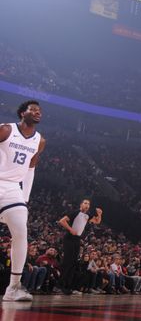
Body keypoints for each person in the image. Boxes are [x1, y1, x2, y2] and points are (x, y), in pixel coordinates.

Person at [1, 100, 47, 302]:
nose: (38, 113)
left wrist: (24, 198)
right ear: (22, 113)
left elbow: (30, 169)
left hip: (12, 189)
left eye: (40, 111)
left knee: (21, 232)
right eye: (33, 109)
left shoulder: (40, 141)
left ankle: (13, 288)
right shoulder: (5, 130)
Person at [55, 199, 102, 295]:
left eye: (88, 204)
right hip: (69, 238)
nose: (87, 205)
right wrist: (70, 229)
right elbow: (62, 221)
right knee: (67, 261)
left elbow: (97, 222)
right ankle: (59, 286)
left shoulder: (87, 215)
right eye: (85, 203)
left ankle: (68, 286)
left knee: (73, 263)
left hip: (77, 239)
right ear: (81, 204)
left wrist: (99, 214)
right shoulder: (75, 212)